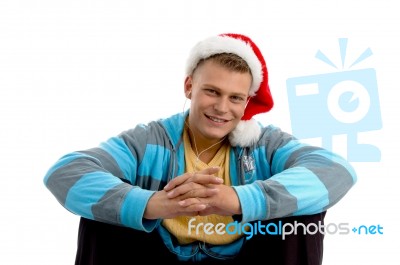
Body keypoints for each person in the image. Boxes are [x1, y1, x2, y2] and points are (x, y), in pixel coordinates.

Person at [43, 33, 357, 265]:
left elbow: (338, 171)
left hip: (244, 257)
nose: (222, 107)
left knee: (301, 214)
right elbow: (64, 172)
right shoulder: (150, 140)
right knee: (107, 210)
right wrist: (154, 204)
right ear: (189, 86)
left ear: (247, 102)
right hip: (158, 256)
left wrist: (237, 199)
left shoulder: (264, 144)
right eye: (212, 91)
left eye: (235, 98)